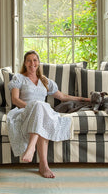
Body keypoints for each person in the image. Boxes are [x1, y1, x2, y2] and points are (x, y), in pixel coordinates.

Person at [6, 50, 90, 178]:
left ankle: (37, 156)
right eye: (29, 60)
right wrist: (33, 107)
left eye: (35, 60)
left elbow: (62, 96)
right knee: (39, 105)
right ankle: (42, 163)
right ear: (24, 63)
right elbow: (15, 100)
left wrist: (84, 99)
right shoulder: (19, 78)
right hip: (25, 111)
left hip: (43, 112)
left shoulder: (44, 81)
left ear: (38, 63)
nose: (32, 63)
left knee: (42, 109)